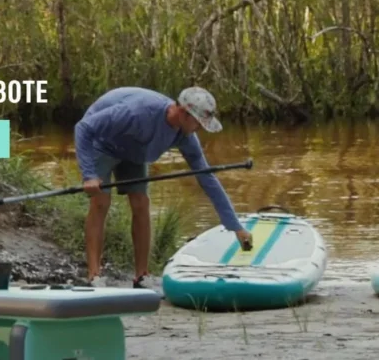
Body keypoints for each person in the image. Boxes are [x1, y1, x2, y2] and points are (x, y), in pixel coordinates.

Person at [74, 86, 252, 289]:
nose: (200, 129)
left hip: (136, 151)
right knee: (101, 202)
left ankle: (141, 276)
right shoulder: (137, 112)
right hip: (103, 143)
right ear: (184, 113)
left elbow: (206, 177)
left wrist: (235, 226)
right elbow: (84, 128)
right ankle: (94, 276)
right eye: (199, 123)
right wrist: (89, 176)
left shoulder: (185, 136)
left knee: (141, 203)